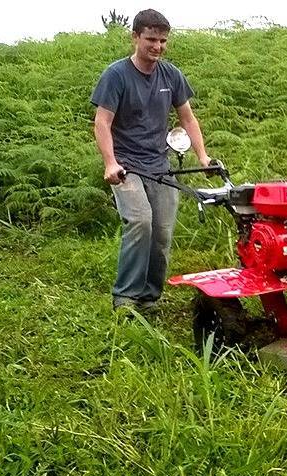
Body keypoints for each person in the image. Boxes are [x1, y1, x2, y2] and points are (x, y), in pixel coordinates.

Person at [91, 8, 210, 311]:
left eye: (162, 41)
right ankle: (126, 297)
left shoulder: (171, 75)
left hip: (160, 165)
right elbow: (102, 122)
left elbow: (188, 119)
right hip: (127, 166)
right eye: (151, 39)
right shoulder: (116, 75)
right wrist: (110, 163)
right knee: (141, 221)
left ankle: (149, 297)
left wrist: (204, 156)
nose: (157, 46)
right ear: (135, 37)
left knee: (162, 233)